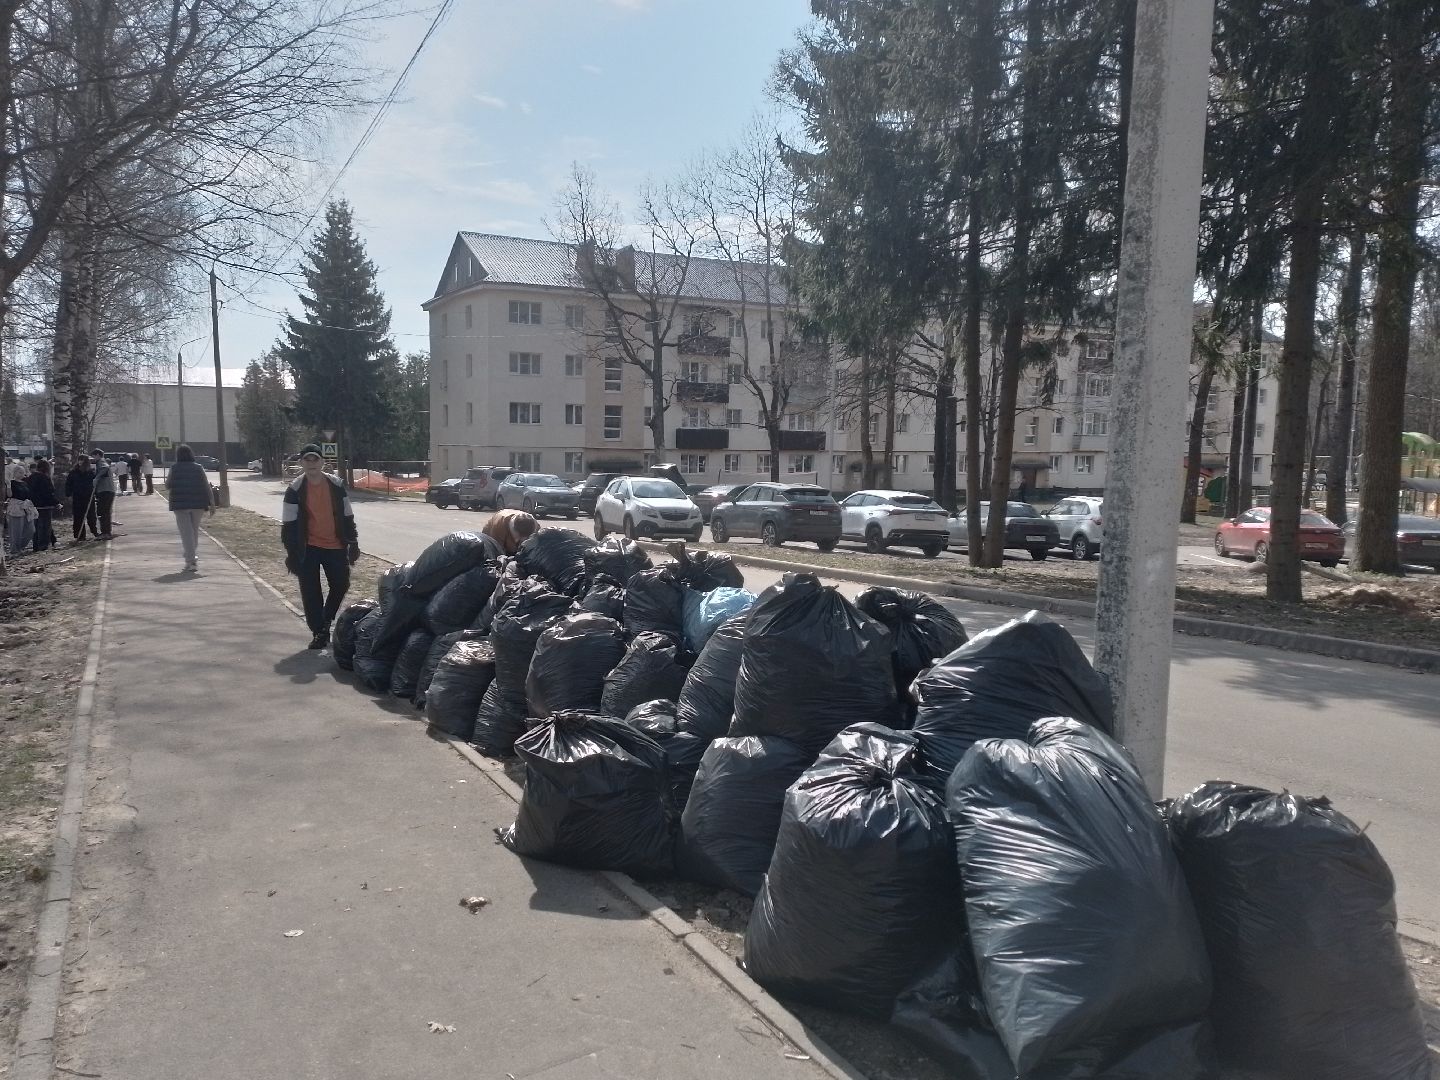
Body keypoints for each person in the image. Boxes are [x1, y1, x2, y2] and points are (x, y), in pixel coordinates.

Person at [281, 444, 360, 649]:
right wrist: (292, 553)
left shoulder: (335, 485)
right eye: (307, 459)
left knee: (341, 584)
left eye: (315, 459)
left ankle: (326, 621)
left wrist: (353, 542)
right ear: (301, 463)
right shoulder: (295, 490)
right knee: (310, 591)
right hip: (308, 547)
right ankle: (319, 632)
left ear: (323, 462)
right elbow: (289, 524)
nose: (311, 463)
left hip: (335, 545)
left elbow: (347, 515)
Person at [165, 443, 214, 572]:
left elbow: (167, 485)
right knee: (193, 532)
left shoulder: (174, 468)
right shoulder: (199, 467)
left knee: (186, 533)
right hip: (198, 503)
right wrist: (212, 503)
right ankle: (190, 557)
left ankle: (191, 560)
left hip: (180, 504)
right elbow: (206, 486)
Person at [27, 460, 59, 552]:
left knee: (36, 527)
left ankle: (36, 545)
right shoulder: (45, 478)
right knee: (45, 526)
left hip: (35, 505)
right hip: (45, 505)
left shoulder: (31, 477)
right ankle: (43, 545)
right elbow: (48, 493)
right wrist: (56, 503)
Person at [65, 457, 98, 542]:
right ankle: (80, 535)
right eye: (79, 460)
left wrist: (96, 492)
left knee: (91, 516)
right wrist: (68, 494)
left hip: (88, 497)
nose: (80, 462)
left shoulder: (90, 472)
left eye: (82, 460)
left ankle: (94, 532)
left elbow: (95, 482)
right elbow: (69, 484)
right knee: (78, 517)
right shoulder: (73, 472)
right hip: (77, 497)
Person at [6, 479, 37, 556]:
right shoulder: (12, 482)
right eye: (20, 472)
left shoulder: (25, 483)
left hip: (26, 506)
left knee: (31, 529)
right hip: (16, 507)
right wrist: (9, 486)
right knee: (16, 531)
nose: (22, 473)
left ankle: (20, 546)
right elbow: (9, 495)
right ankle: (15, 550)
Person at [91, 449, 117, 539]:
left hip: (105, 491)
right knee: (104, 512)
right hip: (106, 490)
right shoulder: (100, 462)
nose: (93, 458)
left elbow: (105, 468)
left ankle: (106, 533)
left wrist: (96, 478)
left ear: (98, 455)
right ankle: (106, 532)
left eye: (94, 456)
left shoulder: (101, 461)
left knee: (103, 512)